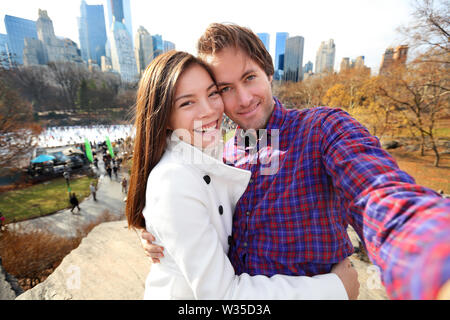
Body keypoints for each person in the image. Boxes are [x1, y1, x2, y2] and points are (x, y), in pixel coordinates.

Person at [141, 23, 450, 300]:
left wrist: (428, 251)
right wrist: (165, 240)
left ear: (268, 72)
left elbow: (377, 191)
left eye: (249, 78)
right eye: (225, 89)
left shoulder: (322, 129)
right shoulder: (227, 153)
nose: (244, 98)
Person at [126, 50, 358, 300]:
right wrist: (335, 289)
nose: (209, 110)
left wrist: (162, 235)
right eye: (187, 102)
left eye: (212, 93)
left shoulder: (212, 153)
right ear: (165, 117)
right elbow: (224, 296)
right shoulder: (173, 180)